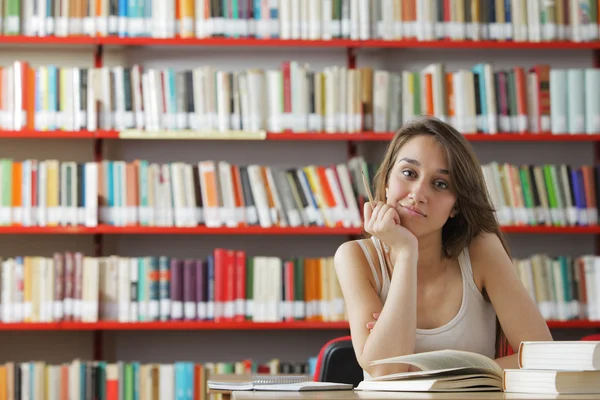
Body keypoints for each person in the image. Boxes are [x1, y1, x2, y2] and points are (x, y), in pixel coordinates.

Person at [334, 116, 553, 379]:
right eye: (409, 173)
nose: (418, 194)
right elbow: (385, 370)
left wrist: (427, 371)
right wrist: (406, 254)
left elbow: (543, 356)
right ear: (387, 181)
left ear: (456, 206)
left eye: (440, 184)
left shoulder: (481, 250)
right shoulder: (356, 257)